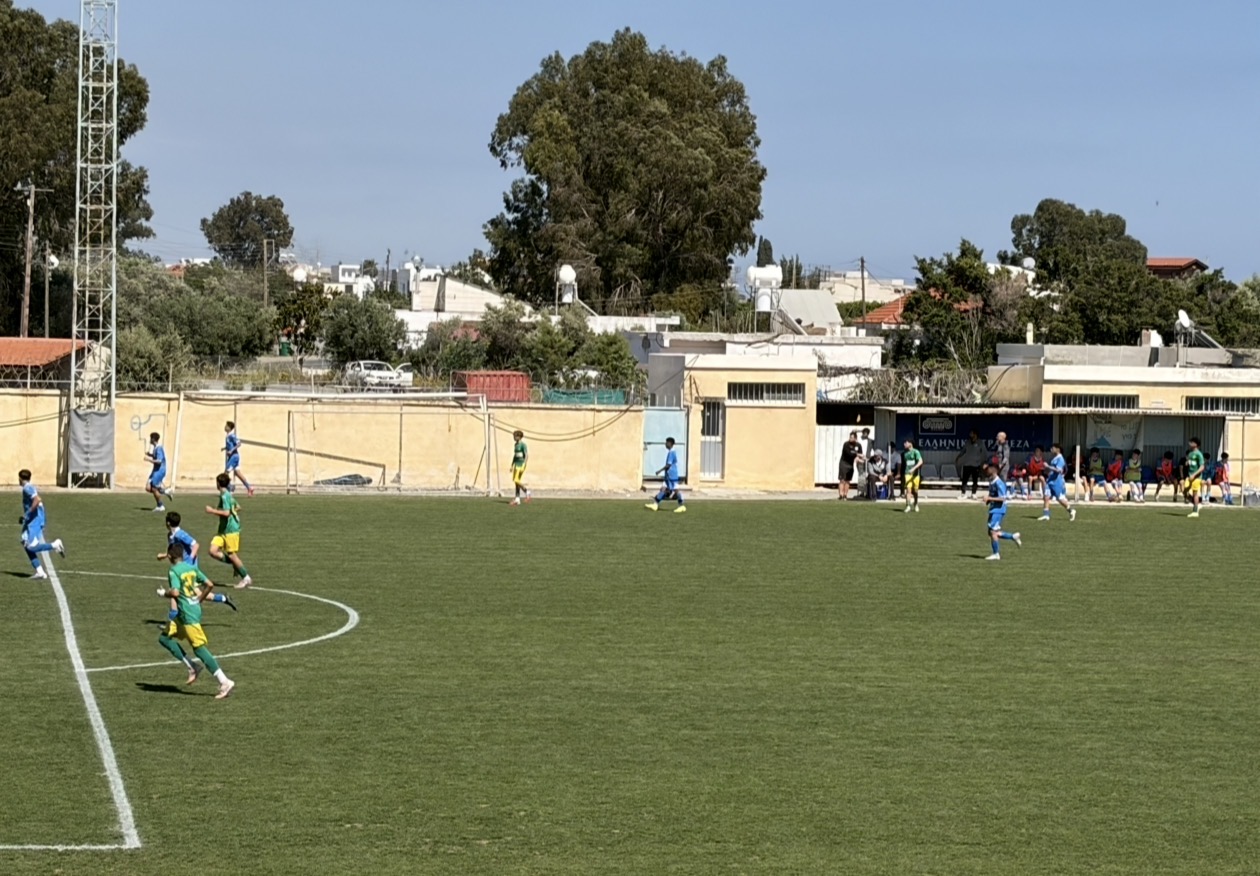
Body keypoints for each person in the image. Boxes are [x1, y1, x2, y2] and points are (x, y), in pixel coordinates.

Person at [156, 541, 235, 699]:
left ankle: (225, 681)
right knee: (164, 638)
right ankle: (192, 667)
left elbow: (175, 593)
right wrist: (199, 599)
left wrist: (164, 593)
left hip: (188, 615)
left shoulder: (173, 571)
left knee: (199, 649)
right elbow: (209, 584)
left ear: (170, 556)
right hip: (187, 612)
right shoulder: (191, 567)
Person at [159, 511, 236, 611]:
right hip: (181, 566)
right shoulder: (170, 535)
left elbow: (195, 545)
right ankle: (223, 598)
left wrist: (190, 560)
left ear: (168, 523)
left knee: (183, 592)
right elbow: (176, 550)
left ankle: (174, 616)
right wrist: (165, 555)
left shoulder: (180, 535)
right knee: (195, 593)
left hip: (187, 567)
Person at [206, 472, 253, 587]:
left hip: (231, 530)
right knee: (212, 551)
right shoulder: (227, 495)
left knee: (232, 555)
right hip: (222, 530)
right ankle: (235, 565)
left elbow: (227, 513)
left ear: (218, 484)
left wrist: (212, 511)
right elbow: (238, 507)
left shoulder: (225, 496)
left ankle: (246, 577)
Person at [17, 469, 64, 579]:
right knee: (25, 543)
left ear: (20, 479)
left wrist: (27, 514)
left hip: (35, 519)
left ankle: (55, 545)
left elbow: (37, 500)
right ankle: (40, 572)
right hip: (31, 519)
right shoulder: (28, 487)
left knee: (31, 547)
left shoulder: (27, 488)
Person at [982, 462, 1021, 561]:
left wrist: (989, 498)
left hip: (998, 510)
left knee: (993, 532)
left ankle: (996, 554)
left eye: (987, 469)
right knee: (991, 532)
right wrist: (989, 500)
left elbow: (1002, 498)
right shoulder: (992, 481)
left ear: (993, 470)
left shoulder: (999, 483)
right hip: (993, 509)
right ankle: (1012, 536)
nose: (986, 471)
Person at [1038, 442, 1076, 522]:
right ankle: (1046, 515)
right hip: (1050, 480)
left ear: (1058, 449)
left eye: (1053, 448)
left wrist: (1048, 466)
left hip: (1056, 481)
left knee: (1060, 499)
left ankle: (1071, 510)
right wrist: (1046, 470)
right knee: (1046, 496)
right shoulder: (1054, 458)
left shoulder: (1060, 459)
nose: (1051, 449)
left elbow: (1059, 470)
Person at [646, 437, 686, 513]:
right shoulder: (671, 452)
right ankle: (655, 504)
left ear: (670, 443)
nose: (665, 444)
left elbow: (668, 465)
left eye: (666, 442)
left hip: (672, 475)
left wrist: (659, 471)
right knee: (663, 489)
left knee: (676, 490)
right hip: (668, 475)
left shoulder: (672, 453)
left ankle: (681, 506)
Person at [222, 421, 254, 497]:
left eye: (226, 426)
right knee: (237, 473)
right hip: (233, 456)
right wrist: (225, 448)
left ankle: (230, 488)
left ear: (229, 428)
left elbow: (239, 443)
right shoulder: (228, 436)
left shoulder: (232, 436)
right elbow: (231, 445)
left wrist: (231, 451)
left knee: (225, 474)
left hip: (234, 457)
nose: (225, 427)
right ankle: (249, 487)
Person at [144, 431, 173, 511]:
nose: (150, 440)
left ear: (153, 439)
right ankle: (165, 491)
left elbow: (159, 461)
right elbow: (156, 457)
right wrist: (150, 454)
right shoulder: (156, 448)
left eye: (151, 438)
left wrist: (148, 459)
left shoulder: (159, 448)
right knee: (148, 488)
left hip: (159, 471)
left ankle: (160, 506)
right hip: (155, 470)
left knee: (154, 488)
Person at [955, 430, 986, 499]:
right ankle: (963, 494)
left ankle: (973, 493)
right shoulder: (967, 442)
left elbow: (984, 453)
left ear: (975, 434)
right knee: (964, 480)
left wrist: (983, 462)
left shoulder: (980, 443)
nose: (970, 435)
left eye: (972, 434)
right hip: (967, 464)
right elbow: (963, 451)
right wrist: (958, 457)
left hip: (976, 465)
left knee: (975, 480)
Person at [836, 431, 864, 501]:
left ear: (855, 438)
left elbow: (861, 454)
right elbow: (849, 453)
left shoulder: (858, 445)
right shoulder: (846, 444)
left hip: (850, 464)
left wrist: (858, 457)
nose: (850, 439)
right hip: (844, 463)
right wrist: (857, 454)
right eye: (850, 437)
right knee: (842, 480)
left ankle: (845, 495)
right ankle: (841, 495)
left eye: (852, 437)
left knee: (848, 480)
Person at [1185, 438, 1206, 518]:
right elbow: (1190, 463)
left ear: (1196, 444)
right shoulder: (1190, 453)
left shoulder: (1199, 454)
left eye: (1192, 442)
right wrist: (1187, 463)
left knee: (1195, 493)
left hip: (1196, 477)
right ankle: (1197, 505)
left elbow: (1202, 467)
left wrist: (1194, 475)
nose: (1190, 443)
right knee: (1184, 491)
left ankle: (1195, 511)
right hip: (1189, 476)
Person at [902, 438, 924, 514]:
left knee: (915, 491)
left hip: (915, 474)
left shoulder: (916, 452)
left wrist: (913, 469)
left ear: (910, 443)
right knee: (908, 490)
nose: (904, 444)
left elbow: (920, 461)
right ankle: (908, 505)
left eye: (906, 442)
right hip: (907, 473)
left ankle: (916, 503)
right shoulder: (904, 453)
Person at [509, 430, 531, 506]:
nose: (514, 438)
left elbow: (526, 455)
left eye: (515, 436)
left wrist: (524, 463)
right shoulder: (515, 445)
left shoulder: (523, 445)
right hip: (516, 464)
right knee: (516, 482)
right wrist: (512, 465)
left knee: (516, 479)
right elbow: (515, 456)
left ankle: (527, 491)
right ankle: (517, 499)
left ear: (519, 437)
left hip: (521, 464)